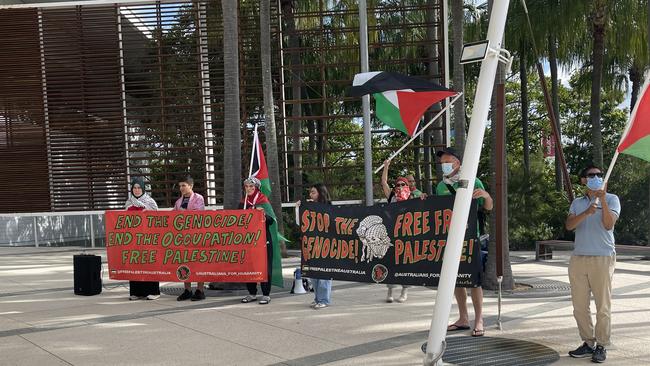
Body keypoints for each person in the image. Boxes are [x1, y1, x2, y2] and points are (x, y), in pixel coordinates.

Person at [565, 164, 620, 363]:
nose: (596, 177)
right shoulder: (577, 203)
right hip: (579, 258)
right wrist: (587, 212)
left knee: (603, 306)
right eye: (591, 175)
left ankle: (602, 345)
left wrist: (603, 199)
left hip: (602, 258)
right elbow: (569, 225)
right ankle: (588, 343)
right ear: (583, 180)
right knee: (579, 306)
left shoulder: (612, 199)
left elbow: (608, 224)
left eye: (599, 174)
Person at [436, 147, 493, 338]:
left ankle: (479, 320)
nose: (445, 165)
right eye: (442, 162)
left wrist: (485, 196)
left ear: (458, 162)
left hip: (470, 238)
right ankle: (463, 318)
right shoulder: (441, 186)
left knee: (474, 281)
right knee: (456, 280)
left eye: (448, 161)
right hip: (449, 239)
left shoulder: (472, 180)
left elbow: (488, 206)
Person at [239, 177, 275, 305]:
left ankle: (266, 294)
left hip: (263, 239)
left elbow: (271, 221)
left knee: (265, 266)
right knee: (250, 265)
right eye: (246, 186)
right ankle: (252, 293)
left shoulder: (263, 201)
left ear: (257, 188)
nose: (248, 189)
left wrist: (264, 214)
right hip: (248, 239)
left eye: (251, 187)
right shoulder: (243, 203)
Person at [380, 159, 412, 303]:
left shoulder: (413, 198)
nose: (400, 187)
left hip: (406, 235)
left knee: (405, 264)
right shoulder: (392, 197)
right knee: (391, 263)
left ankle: (404, 291)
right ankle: (390, 291)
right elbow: (383, 183)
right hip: (392, 235)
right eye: (398, 185)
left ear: (408, 186)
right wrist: (386, 166)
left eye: (403, 184)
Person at [297, 183, 333, 309]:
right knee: (313, 273)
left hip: (325, 245)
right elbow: (299, 223)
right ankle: (318, 298)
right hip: (311, 245)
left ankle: (324, 299)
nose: (310, 194)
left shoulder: (328, 207)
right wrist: (299, 208)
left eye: (313, 192)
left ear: (320, 193)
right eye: (310, 192)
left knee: (323, 273)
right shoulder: (308, 207)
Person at [124, 177, 160, 300]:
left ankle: (154, 292)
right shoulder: (129, 202)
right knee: (135, 263)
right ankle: (136, 292)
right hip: (134, 239)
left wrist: (146, 211)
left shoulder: (150, 202)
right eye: (135, 187)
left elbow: (156, 220)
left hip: (148, 238)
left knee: (149, 263)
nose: (137, 190)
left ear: (143, 188)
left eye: (139, 187)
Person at [174, 175, 207, 301]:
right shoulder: (178, 202)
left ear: (191, 186)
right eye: (180, 186)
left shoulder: (199, 198)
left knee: (198, 263)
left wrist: (183, 213)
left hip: (196, 236)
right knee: (184, 262)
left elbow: (198, 214)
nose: (181, 188)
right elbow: (172, 216)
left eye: (184, 185)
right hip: (183, 237)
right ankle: (187, 290)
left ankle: (200, 290)